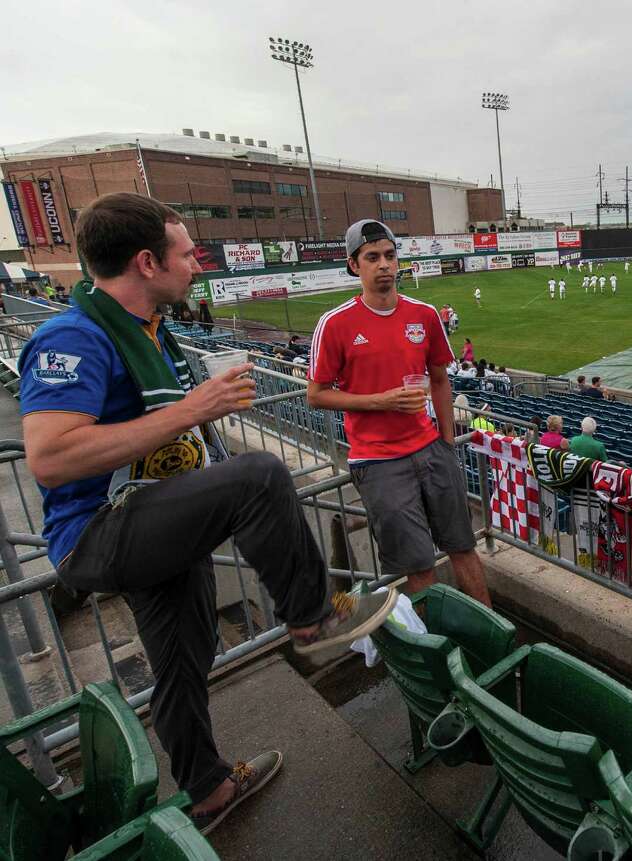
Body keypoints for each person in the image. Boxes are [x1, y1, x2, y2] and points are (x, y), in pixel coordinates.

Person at [19, 193, 396, 835]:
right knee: (259, 476)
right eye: (187, 253)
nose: (197, 264)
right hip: (100, 531)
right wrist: (194, 409)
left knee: (183, 663)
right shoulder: (72, 336)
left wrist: (195, 419)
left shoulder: (147, 331)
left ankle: (209, 788)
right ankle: (312, 617)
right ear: (146, 262)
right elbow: (50, 457)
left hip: (157, 523)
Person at [307, 219, 491, 610]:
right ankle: (437, 653)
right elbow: (316, 395)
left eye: (390, 255)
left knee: (463, 547)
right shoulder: (335, 324)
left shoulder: (423, 315)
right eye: (372, 257)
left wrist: (444, 439)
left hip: (431, 450)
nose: (384, 265)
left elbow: (440, 379)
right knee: (418, 565)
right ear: (354, 265)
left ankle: (494, 637)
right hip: (378, 462)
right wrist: (381, 401)